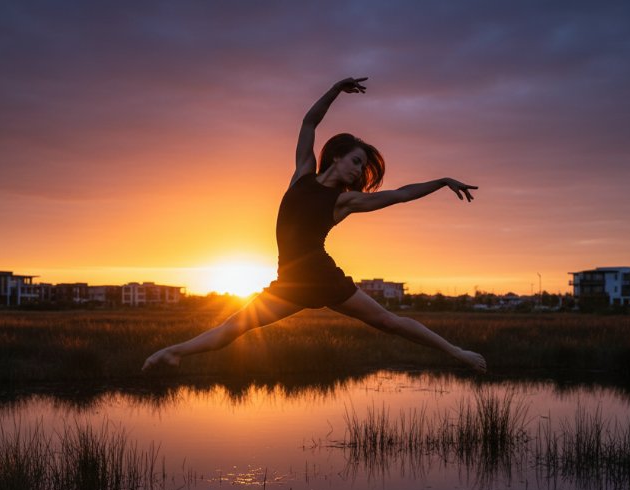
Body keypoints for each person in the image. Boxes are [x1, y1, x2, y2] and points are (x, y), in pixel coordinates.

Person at [143, 77, 486, 373]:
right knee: (235, 327)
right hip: (290, 280)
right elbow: (309, 123)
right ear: (336, 155)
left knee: (388, 322)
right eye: (355, 161)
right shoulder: (302, 174)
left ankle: (459, 354)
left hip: (322, 277)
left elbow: (400, 194)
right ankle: (172, 352)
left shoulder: (344, 201)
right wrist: (335, 89)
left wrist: (441, 181)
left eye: (362, 167)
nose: (358, 171)